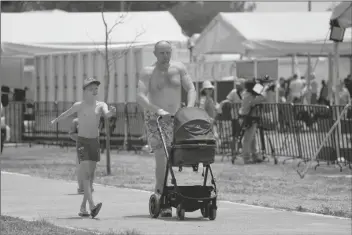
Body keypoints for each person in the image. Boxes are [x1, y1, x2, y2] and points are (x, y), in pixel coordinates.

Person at [136, 41, 196, 217]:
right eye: (162, 53)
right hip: (156, 119)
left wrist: (189, 108)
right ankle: (161, 196)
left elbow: (191, 88)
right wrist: (157, 110)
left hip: (176, 118)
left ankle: (175, 194)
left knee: (177, 156)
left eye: (168, 52)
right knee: (162, 157)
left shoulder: (179, 68)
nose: (165, 56)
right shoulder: (148, 72)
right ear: (155, 53)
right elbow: (140, 95)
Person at [51, 77, 116, 218]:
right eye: (91, 89)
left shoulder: (101, 104)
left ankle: (82, 208)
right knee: (86, 175)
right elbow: (66, 113)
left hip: (94, 142)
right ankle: (92, 206)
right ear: (85, 91)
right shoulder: (79, 105)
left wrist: (111, 112)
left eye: (96, 89)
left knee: (91, 177)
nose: (94, 91)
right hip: (82, 142)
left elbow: (106, 114)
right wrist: (56, 120)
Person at [239, 78, 269, 164]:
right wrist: (264, 88)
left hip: (247, 118)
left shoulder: (246, 94)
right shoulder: (249, 96)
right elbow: (262, 97)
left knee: (252, 138)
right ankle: (246, 158)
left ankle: (254, 155)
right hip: (249, 118)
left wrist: (261, 85)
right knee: (248, 139)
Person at [69, 117, 95, 194]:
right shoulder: (76, 121)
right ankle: (82, 188)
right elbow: (71, 134)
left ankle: (90, 186)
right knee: (81, 168)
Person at [198, 81, 220, 145]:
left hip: (211, 122)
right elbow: (201, 110)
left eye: (211, 89)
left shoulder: (210, 98)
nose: (211, 90)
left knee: (214, 138)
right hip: (207, 122)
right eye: (209, 89)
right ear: (205, 90)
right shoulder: (203, 99)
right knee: (211, 139)